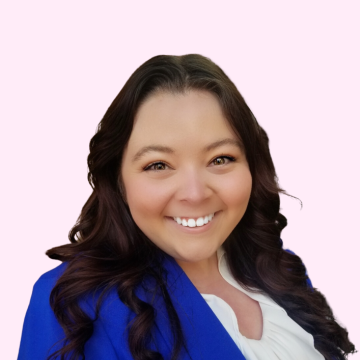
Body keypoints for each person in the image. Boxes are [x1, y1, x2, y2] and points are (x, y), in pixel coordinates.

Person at [18, 54, 356, 360]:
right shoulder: (72, 303)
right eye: (159, 165)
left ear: (252, 166)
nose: (194, 194)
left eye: (220, 159)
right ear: (118, 180)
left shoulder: (282, 271)